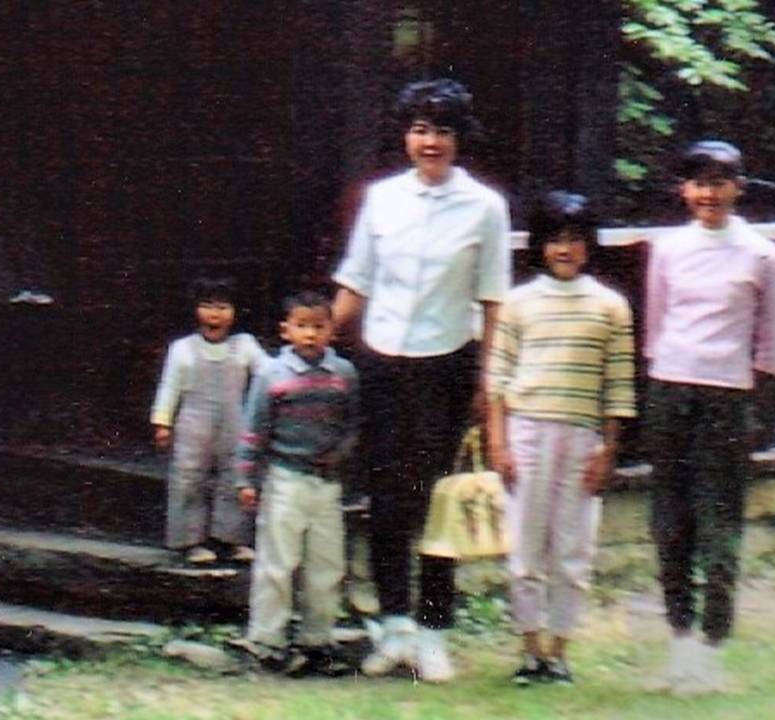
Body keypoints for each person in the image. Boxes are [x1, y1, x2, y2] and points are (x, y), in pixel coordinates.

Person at [331, 78, 512, 683]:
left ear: (460, 138)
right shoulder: (381, 199)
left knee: (438, 504)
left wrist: (490, 384)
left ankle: (435, 634)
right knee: (385, 497)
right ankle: (394, 627)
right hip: (382, 362)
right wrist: (314, 347)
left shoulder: (485, 206)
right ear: (405, 136)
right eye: (419, 129)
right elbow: (355, 281)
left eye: (441, 130)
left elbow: (493, 302)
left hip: (447, 365)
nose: (429, 141)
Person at [643, 140, 775, 693]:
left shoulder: (763, 256)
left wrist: (758, 410)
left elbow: (773, 345)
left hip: (728, 397)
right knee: (669, 522)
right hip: (670, 391)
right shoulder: (666, 249)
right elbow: (657, 330)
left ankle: (712, 645)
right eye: (698, 182)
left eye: (720, 182)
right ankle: (679, 641)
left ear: (738, 188)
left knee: (719, 524)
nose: (709, 193)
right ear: (684, 190)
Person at [485, 191, 637, 686]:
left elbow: (618, 383)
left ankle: (559, 651)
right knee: (526, 548)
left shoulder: (610, 306)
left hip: (582, 439)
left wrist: (608, 448)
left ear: (589, 245)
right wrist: (499, 442)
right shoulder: (518, 302)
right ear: (541, 246)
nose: (565, 249)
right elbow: (499, 377)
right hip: (527, 432)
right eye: (555, 240)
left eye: (574, 239)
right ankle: (529, 650)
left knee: (572, 552)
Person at [233, 290, 361, 677]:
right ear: (285, 330)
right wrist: (246, 478)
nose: (310, 334)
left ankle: (317, 641)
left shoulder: (343, 375)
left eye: (319, 326)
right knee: (277, 562)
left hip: (326, 483)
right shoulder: (272, 374)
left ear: (331, 331)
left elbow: (352, 425)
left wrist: (342, 452)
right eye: (301, 326)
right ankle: (267, 642)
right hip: (285, 478)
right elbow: (253, 429)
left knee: (326, 564)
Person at [150, 277, 265, 565]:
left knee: (235, 476)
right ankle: (190, 541)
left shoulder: (245, 346)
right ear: (195, 310)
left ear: (235, 311)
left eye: (223, 307)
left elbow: (269, 375)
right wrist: (163, 423)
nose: (215, 314)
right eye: (207, 306)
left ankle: (231, 539)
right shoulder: (182, 349)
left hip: (234, 423)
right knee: (189, 478)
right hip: (193, 425)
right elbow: (169, 387)